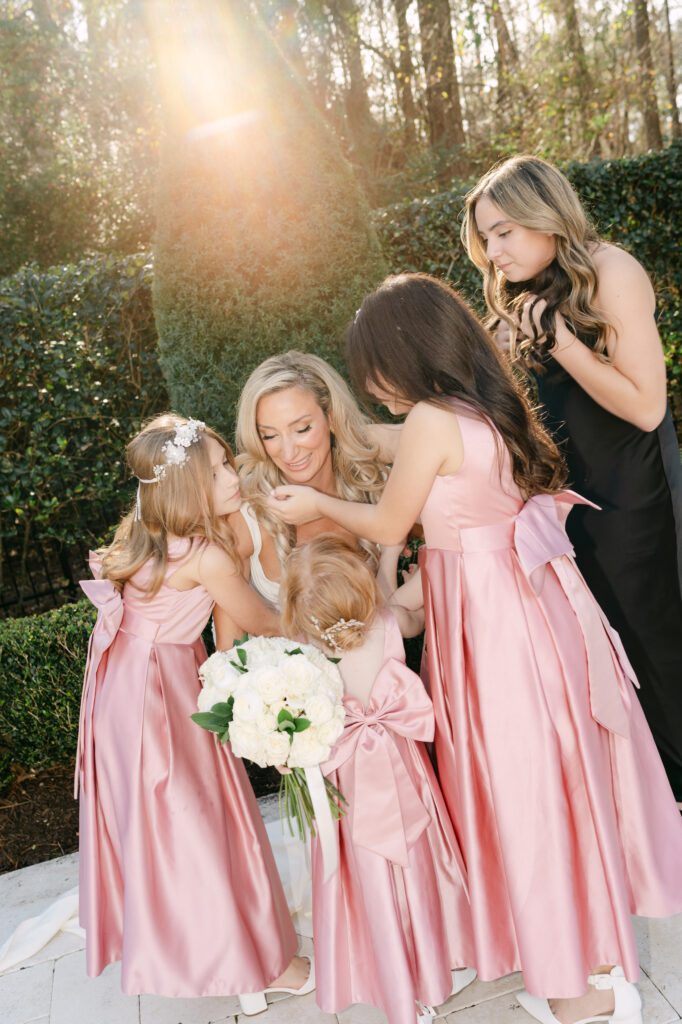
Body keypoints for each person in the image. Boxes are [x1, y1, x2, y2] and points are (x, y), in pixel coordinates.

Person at [267, 274, 682, 1024]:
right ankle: (587, 958)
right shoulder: (482, 406)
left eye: (373, 368)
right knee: (554, 782)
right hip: (522, 604)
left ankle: (577, 998)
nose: (372, 386)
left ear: (407, 353)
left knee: (520, 794)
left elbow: (392, 523)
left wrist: (317, 504)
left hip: (492, 623)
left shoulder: (431, 417)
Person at [461, 154, 682, 803]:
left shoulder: (610, 271)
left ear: (545, 214)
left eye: (503, 230)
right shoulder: (518, 301)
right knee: (615, 661)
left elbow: (647, 407)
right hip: (567, 512)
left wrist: (560, 342)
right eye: (485, 236)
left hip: (638, 498)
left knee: (662, 643)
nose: (492, 250)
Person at [76, 413, 313, 1011]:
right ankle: (255, 965)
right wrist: (322, 618)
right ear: (189, 491)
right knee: (200, 822)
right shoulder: (205, 556)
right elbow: (262, 620)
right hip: (163, 695)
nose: (232, 474)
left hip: (125, 688)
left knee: (172, 824)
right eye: (219, 471)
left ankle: (235, 957)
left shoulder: (143, 536)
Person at [280, 534, 475, 1024]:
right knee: (415, 859)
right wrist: (394, 560)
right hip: (400, 763)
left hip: (347, 777)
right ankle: (431, 965)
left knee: (366, 870)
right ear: (363, 585)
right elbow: (424, 611)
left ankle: (389, 976)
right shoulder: (390, 622)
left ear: (300, 611)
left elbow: (290, 720)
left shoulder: (299, 654)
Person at [213, 350, 389, 645]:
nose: (289, 452)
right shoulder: (246, 512)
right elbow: (229, 648)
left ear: (331, 418)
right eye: (270, 435)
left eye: (302, 429)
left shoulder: (376, 489)